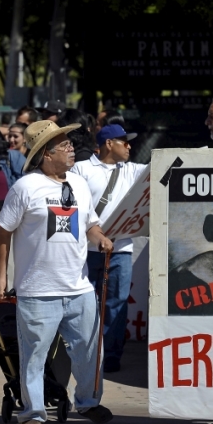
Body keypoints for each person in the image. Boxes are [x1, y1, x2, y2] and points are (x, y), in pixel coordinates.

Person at [0, 119, 115, 424]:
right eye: (63, 144)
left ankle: (89, 403)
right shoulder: (25, 188)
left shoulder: (78, 184)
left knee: (91, 351)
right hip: (37, 290)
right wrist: (3, 276)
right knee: (33, 356)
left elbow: (90, 223)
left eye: (69, 142)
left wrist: (99, 237)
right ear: (46, 154)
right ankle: (33, 414)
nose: (71, 147)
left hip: (79, 288)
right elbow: (4, 233)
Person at [71, 123, 147, 373]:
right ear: (108, 144)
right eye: (123, 141)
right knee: (85, 304)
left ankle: (110, 357)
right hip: (85, 250)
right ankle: (86, 354)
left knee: (117, 303)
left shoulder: (132, 170)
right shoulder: (81, 169)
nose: (129, 146)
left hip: (121, 249)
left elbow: (165, 168)